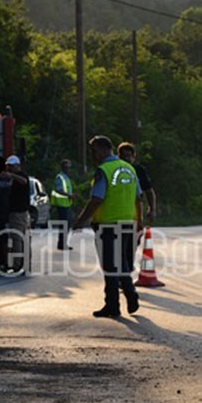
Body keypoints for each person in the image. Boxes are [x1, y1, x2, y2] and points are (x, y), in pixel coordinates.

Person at [73, 136, 142, 318]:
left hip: (108, 225)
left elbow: (97, 199)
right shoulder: (129, 169)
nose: (93, 155)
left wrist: (80, 220)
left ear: (104, 150)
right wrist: (139, 221)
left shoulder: (104, 170)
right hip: (127, 223)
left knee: (111, 266)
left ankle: (112, 305)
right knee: (121, 263)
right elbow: (138, 197)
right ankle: (131, 295)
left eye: (94, 151)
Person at [117, 142, 156, 245]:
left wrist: (152, 209)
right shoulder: (114, 170)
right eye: (123, 156)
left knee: (130, 248)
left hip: (134, 216)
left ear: (133, 157)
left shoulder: (138, 171)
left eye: (129, 156)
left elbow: (149, 191)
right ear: (118, 156)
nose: (126, 159)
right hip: (114, 217)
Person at [4, 155, 30, 273]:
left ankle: (17, 265)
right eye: (8, 166)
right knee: (21, 238)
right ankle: (23, 264)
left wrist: (12, 176)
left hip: (18, 213)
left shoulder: (21, 176)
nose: (9, 168)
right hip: (19, 213)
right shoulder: (14, 179)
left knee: (17, 239)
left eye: (11, 166)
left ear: (17, 166)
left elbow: (24, 181)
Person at [51, 159, 77, 250]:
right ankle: (62, 244)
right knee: (64, 225)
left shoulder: (66, 177)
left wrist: (71, 196)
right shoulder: (60, 177)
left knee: (67, 224)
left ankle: (63, 243)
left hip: (66, 204)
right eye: (67, 167)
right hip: (61, 205)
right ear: (63, 168)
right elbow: (59, 190)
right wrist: (69, 195)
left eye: (70, 167)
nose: (69, 169)